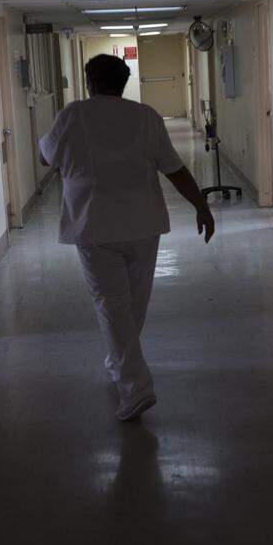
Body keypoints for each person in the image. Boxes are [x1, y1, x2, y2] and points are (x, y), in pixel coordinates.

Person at [38, 53, 215, 421]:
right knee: (133, 304)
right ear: (124, 81)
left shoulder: (73, 114)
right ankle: (123, 368)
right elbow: (174, 169)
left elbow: (46, 158)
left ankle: (135, 388)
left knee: (113, 305)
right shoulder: (145, 116)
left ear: (89, 81)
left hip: (94, 226)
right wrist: (201, 206)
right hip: (142, 226)